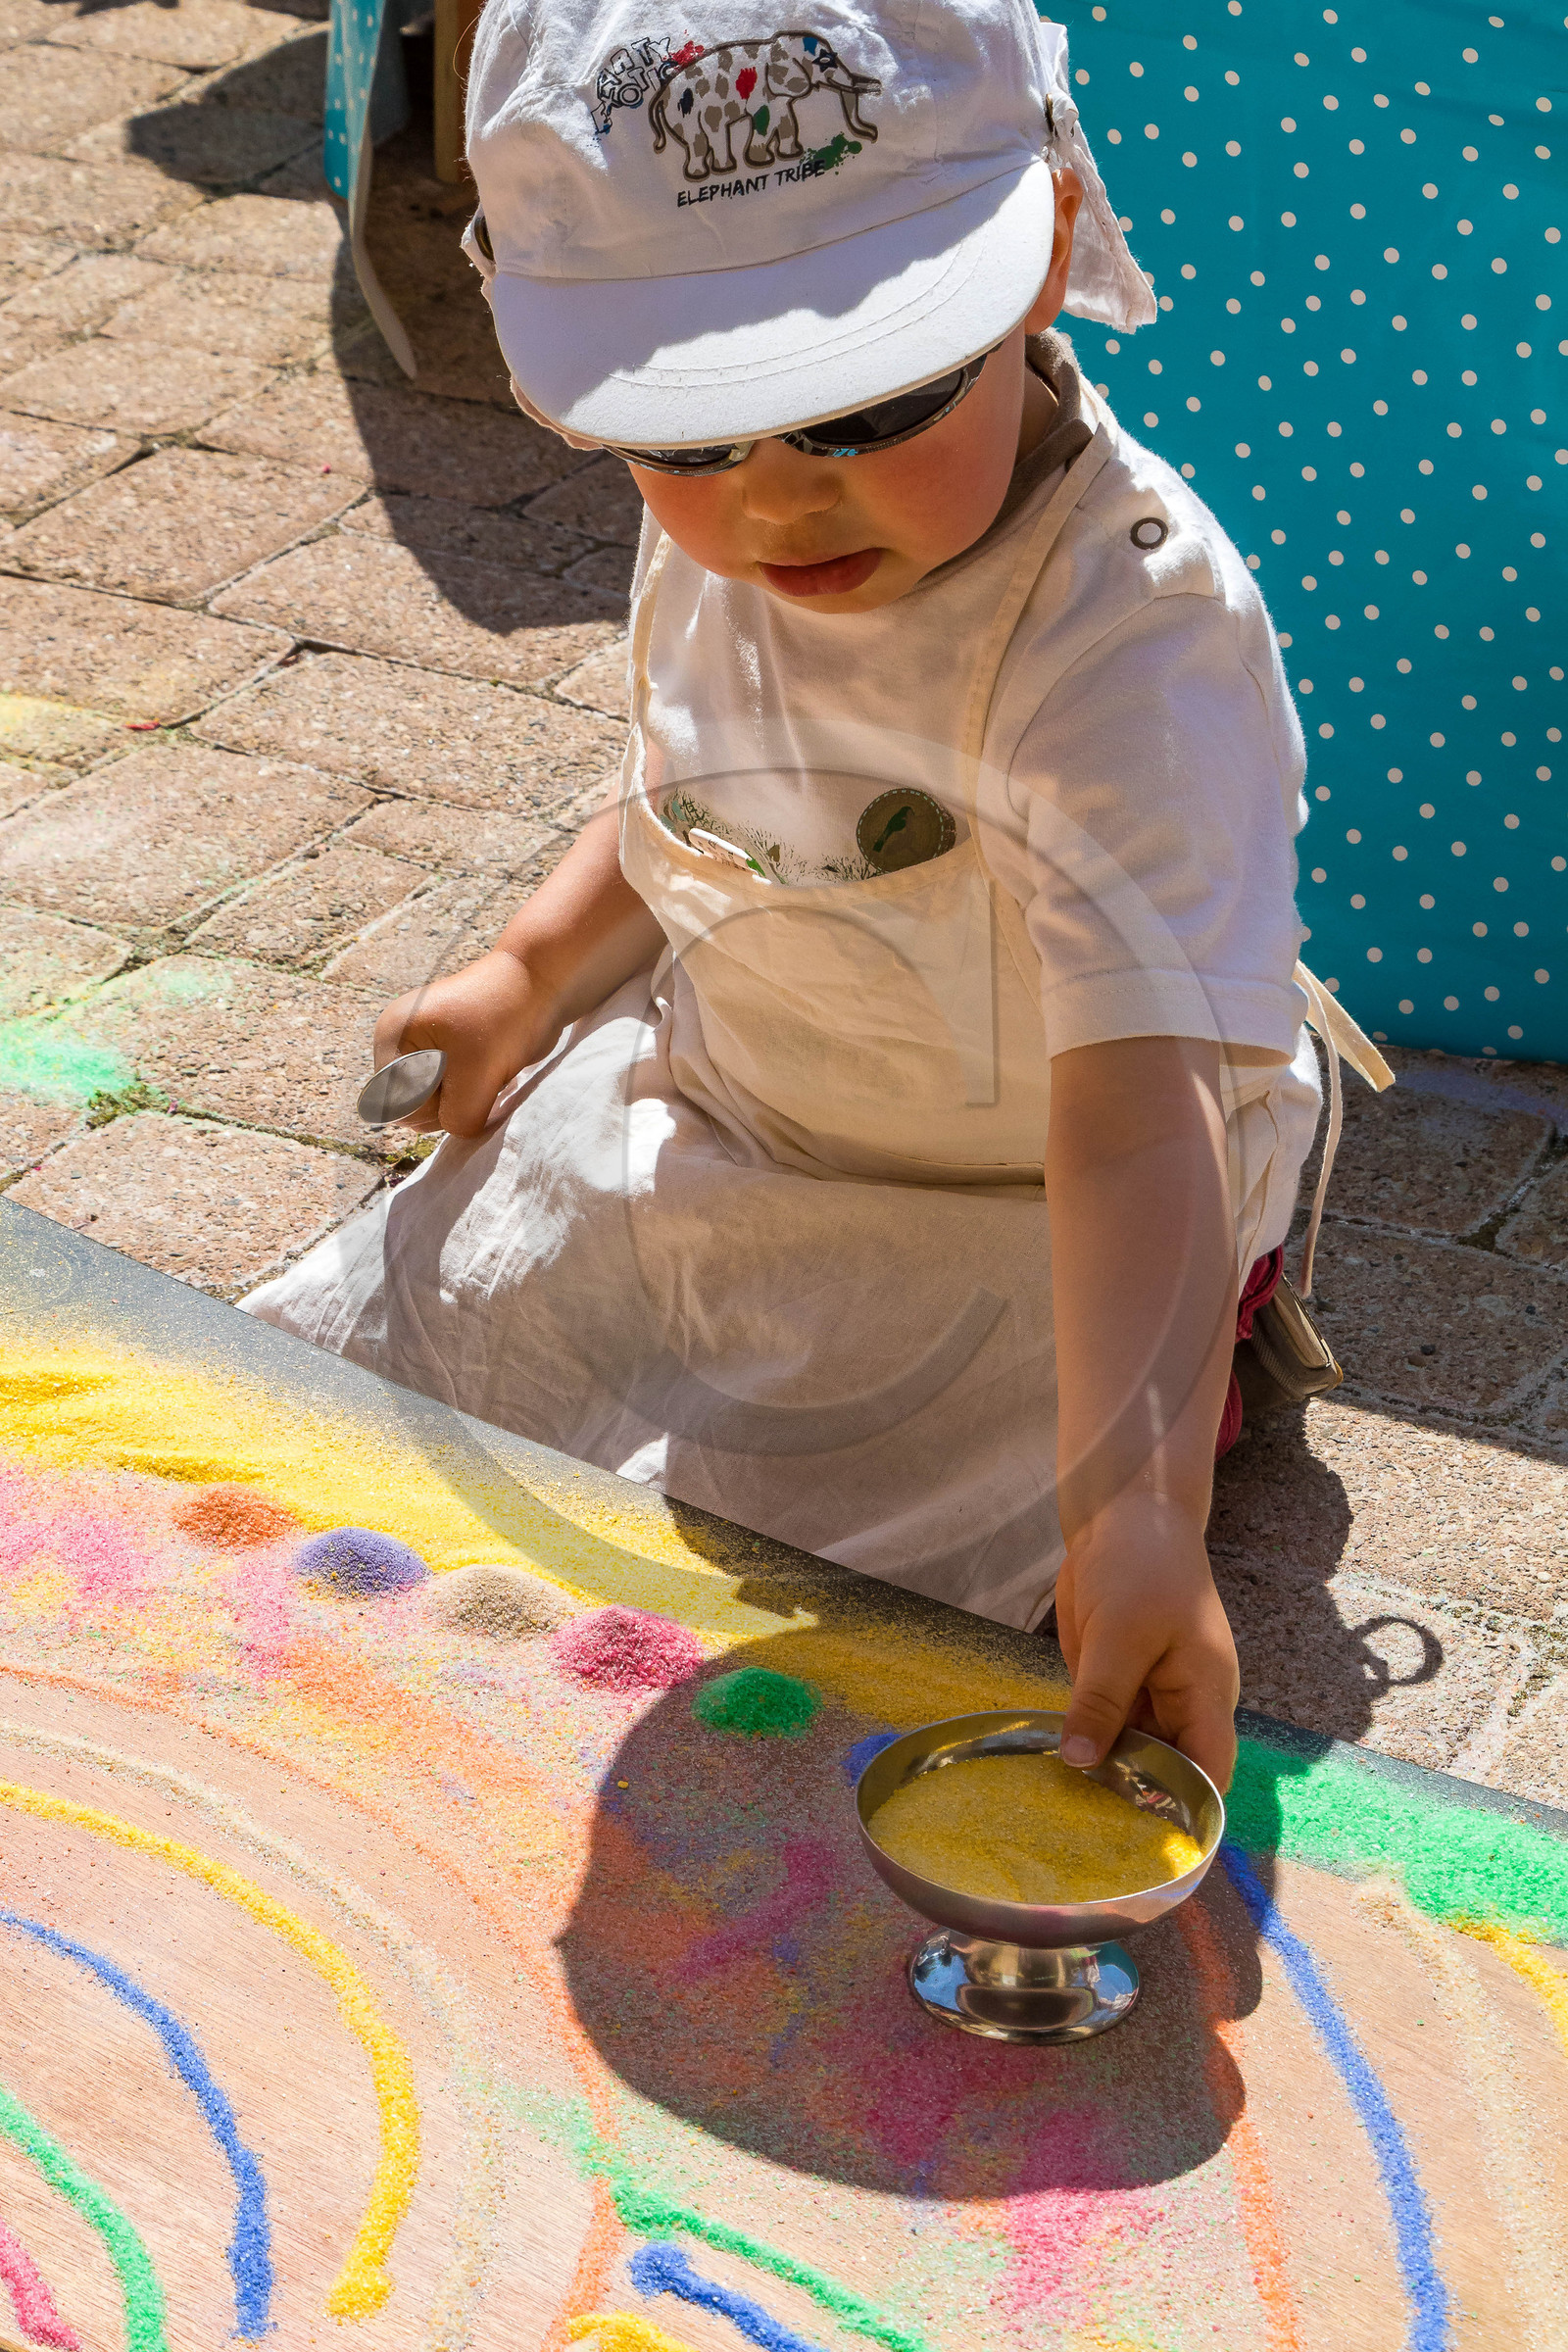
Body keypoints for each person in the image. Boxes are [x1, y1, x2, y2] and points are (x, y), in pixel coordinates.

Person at [246, 0, 1385, 1791]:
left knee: (839, 1625)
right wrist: (531, 975)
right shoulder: (757, 510)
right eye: (686, 431)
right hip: (737, 1109)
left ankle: (1204, 1371)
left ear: (1041, 261)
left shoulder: (1125, 651)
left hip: (1035, 1204)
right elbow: (696, 801)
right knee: (381, 1409)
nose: (774, 499)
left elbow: (1138, 1109)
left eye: (864, 404)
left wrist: (1141, 1503)